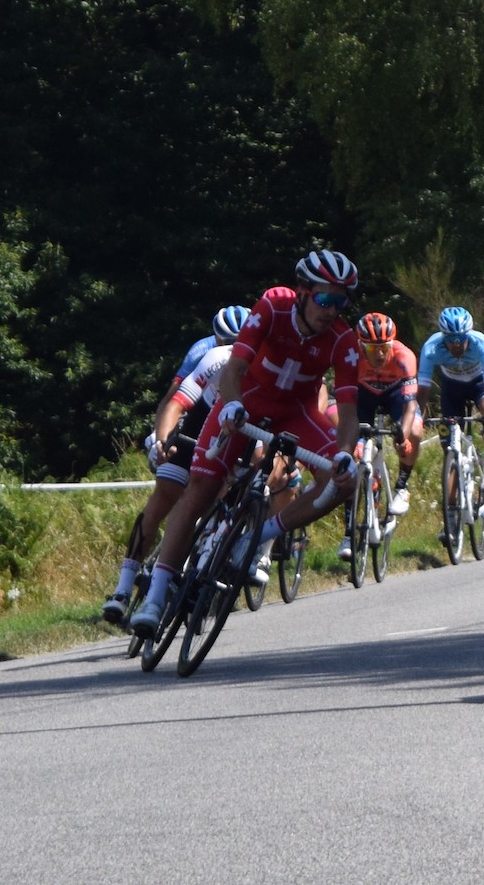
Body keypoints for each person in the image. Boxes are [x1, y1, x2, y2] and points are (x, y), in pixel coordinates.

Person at [130, 251, 363, 637]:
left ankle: (260, 537)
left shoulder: (343, 339)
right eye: (325, 299)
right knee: (201, 488)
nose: (331, 310)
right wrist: (233, 405)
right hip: (245, 401)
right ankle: (155, 596)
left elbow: (350, 413)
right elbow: (235, 369)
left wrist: (343, 454)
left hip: (297, 412)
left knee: (341, 483)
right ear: (303, 292)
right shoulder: (273, 305)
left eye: (341, 302)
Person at [101, 307, 250, 622]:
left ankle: (202, 567)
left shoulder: (264, 363)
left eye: (240, 343)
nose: (232, 349)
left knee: (223, 493)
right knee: (164, 494)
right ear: (217, 339)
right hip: (198, 418)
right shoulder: (207, 353)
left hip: (236, 426)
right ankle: (123, 588)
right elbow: (174, 401)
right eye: (226, 342)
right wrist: (160, 439)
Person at [345, 312, 421, 560]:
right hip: (364, 397)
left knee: (416, 431)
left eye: (384, 347)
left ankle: (401, 486)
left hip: (396, 397)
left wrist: (403, 433)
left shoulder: (404, 357)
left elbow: (410, 406)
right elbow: (346, 403)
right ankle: (348, 534)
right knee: (349, 458)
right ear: (360, 345)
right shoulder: (352, 356)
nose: (379, 354)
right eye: (372, 348)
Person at [418, 306, 484, 497]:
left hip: (480, 384)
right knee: (450, 450)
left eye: (461, 339)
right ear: (443, 337)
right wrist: (418, 420)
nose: (456, 345)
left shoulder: (482, 343)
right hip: (452, 388)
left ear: (468, 334)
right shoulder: (431, 348)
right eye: (450, 340)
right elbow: (422, 392)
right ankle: (452, 516)